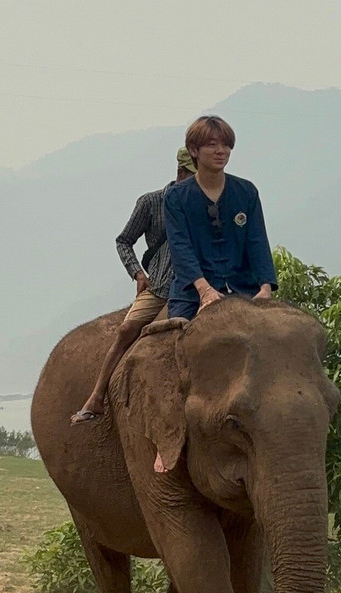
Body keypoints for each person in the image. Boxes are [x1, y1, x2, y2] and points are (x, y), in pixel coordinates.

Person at [70, 147, 197, 424]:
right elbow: (124, 240)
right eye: (195, 176)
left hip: (196, 285)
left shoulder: (207, 204)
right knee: (127, 329)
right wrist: (138, 273)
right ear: (181, 172)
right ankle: (97, 396)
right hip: (161, 285)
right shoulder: (151, 203)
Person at [164, 115, 276, 321]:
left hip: (244, 288)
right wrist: (204, 290)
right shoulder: (176, 197)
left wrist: (266, 287)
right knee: (170, 343)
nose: (221, 151)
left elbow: (257, 242)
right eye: (212, 145)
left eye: (226, 145)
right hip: (191, 294)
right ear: (193, 150)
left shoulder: (246, 192)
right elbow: (180, 247)